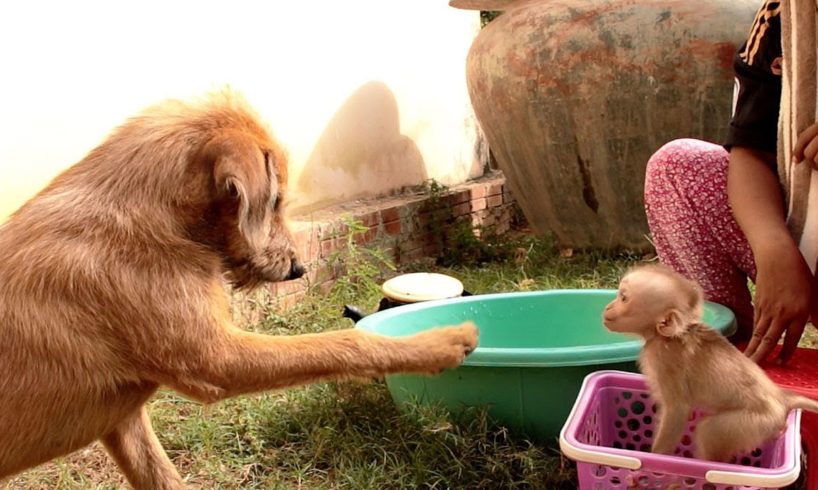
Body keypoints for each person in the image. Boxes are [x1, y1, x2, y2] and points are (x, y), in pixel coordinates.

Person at [643, 0, 818, 365]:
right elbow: (751, 150)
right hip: (809, 250)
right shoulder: (784, 16)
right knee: (678, 169)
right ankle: (726, 361)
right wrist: (774, 249)